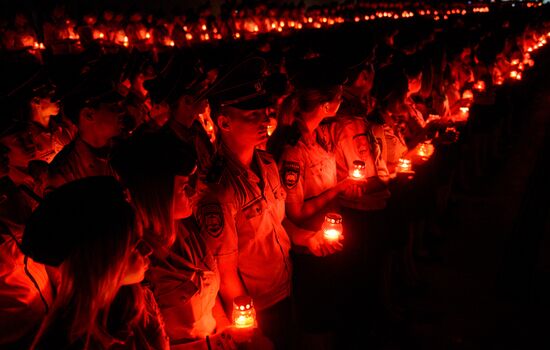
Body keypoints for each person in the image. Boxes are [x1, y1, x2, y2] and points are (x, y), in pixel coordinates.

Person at [196, 57, 322, 349]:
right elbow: (226, 275)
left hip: (285, 285)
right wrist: (251, 330)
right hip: (257, 306)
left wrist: (309, 239)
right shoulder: (219, 190)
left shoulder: (266, 163)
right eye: (252, 115)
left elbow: (279, 223)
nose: (265, 121)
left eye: (264, 113)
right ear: (224, 122)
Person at [111, 131, 265, 349]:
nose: (194, 191)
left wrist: (224, 330)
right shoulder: (134, 265)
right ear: (157, 195)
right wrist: (215, 343)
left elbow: (210, 300)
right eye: (184, 186)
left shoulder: (187, 230)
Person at [21, 176, 168, 349]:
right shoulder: (63, 342)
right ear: (104, 260)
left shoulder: (137, 301)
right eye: (134, 246)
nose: (148, 250)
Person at [271, 56, 358, 349]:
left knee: (330, 313)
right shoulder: (294, 151)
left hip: (324, 242)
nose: (342, 101)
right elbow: (294, 212)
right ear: (326, 104)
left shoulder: (317, 137)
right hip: (308, 250)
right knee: (315, 320)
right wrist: (337, 191)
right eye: (339, 96)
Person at [46, 72, 126, 191]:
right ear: (89, 114)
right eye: (113, 108)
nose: (121, 112)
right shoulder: (64, 174)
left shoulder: (123, 151)